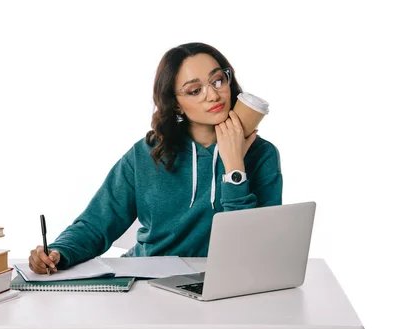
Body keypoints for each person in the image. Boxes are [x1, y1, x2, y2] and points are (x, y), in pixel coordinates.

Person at [28, 42, 283, 274]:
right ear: (176, 104)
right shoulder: (146, 154)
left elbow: (254, 250)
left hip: (221, 283)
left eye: (218, 81)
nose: (213, 95)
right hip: (145, 281)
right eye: (195, 90)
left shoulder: (262, 155)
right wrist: (58, 253)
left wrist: (234, 167)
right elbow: (96, 225)